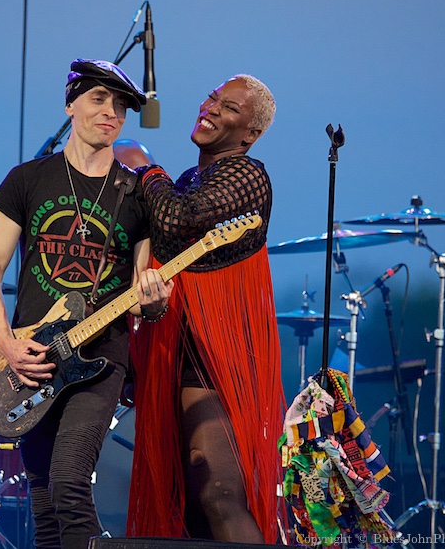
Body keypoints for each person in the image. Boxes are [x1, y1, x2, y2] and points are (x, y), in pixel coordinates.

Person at [0, 59, 172, 549]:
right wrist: (8, 345)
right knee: (42, 501)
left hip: (101, 359)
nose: (112, 113)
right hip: (33, 358)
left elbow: (147, 297)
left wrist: (154, 300)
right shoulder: (27, 180)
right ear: (70, 104)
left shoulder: (137, 194)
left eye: (121, 105)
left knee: (68, 481)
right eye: (99, 99)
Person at [126, 74, 286, 544]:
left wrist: (144, 168)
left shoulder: (247, 174)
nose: (212, 108)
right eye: (213, 97)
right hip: (180, 352)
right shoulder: (192, 180)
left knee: (217, 491)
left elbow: (177, 223)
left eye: (230, 108)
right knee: (189, 502)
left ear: (250, 134)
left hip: (220, 360)